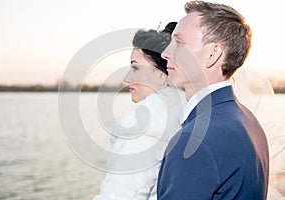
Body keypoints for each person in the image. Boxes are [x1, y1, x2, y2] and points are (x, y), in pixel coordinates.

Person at [157, 1, 269, 199]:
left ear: (212, 54)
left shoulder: (193, 143)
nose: (165, 53)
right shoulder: (248, 121)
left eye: (179, 43)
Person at [93, 23, 186, 200]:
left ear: (163, 74)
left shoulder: (145, 126)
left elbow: (119, 196)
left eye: (135, 68)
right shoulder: (189, 114)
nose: (126, 78)